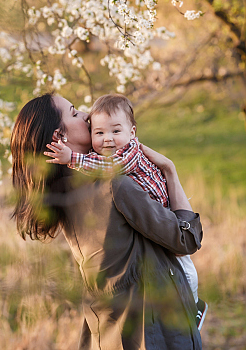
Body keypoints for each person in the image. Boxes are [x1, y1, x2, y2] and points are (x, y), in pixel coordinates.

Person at [11, 92, 203, 349]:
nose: (87, 116)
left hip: (105, 331)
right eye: (74, 112)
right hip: (153, 331)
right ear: (60, 136)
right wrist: (170, 171)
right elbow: (187, 239)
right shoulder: (113, 185)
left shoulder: (62, 194)